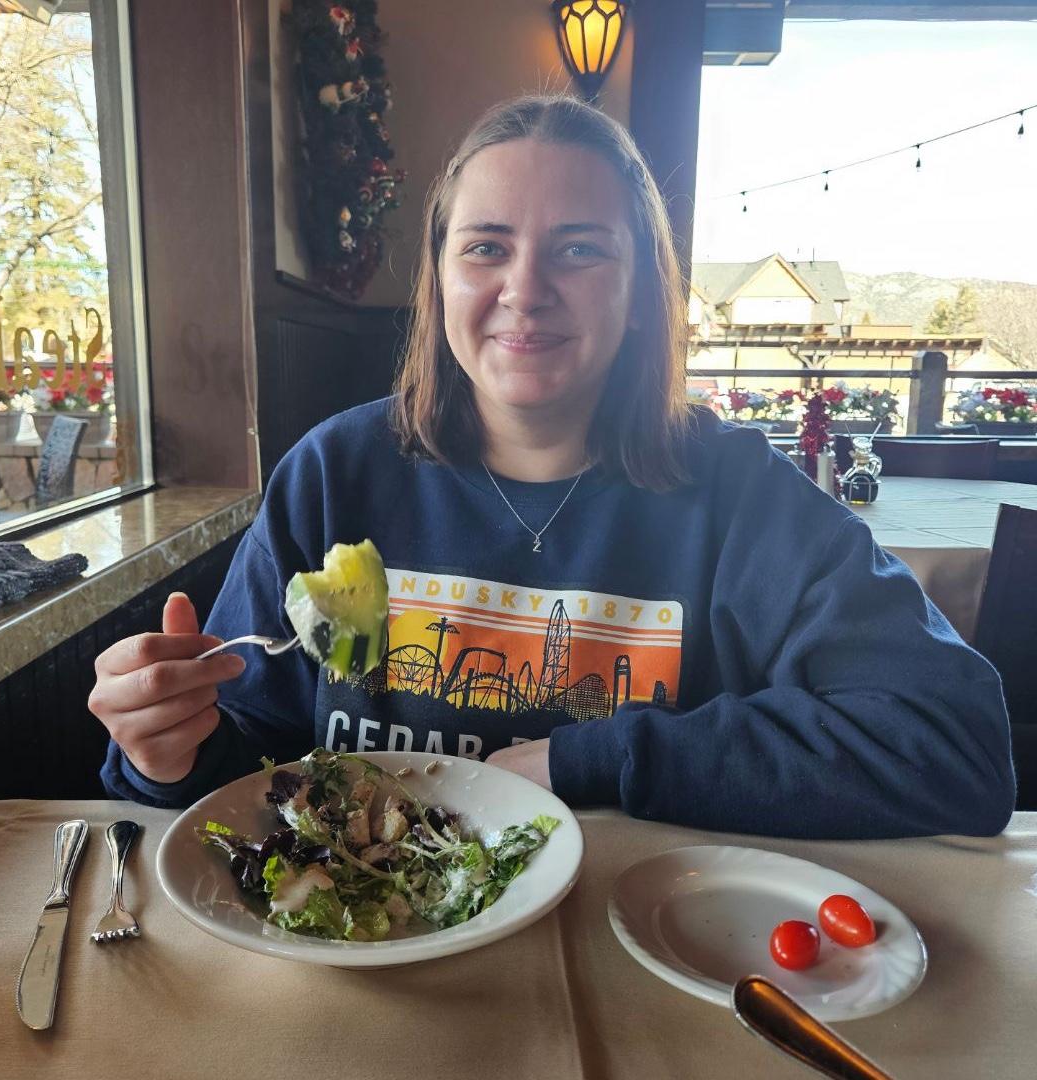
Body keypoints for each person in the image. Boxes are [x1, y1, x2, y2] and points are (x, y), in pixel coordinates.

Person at [90, 94, 1015, 838]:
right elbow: (247, 770)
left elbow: (957, 745)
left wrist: (590, 760)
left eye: (579, 250)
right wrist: (167, 753)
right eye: (486, 247)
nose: (524, 291)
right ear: (442, 280)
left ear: (644, 294)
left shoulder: (739, 499)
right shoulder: (335, 474)